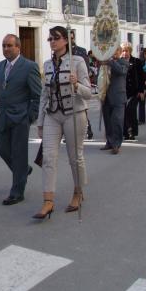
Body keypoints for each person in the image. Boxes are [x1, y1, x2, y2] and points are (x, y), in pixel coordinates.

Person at [34, 27, 92, 220]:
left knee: (75, 157)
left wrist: (76, 84)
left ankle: (78, 192)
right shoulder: (47, 64)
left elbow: (89, 93)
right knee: (49, 157)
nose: (52, 41)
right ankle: (48, 201)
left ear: (66, 41)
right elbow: (44, 94)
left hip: (74, 113)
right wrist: (40, 122)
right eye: (50, 38)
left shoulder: (78, 62)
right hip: (52, 114)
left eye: (56, 38)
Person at [0, 34, 41, 205]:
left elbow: (37, 95)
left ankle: (17, 191)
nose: (6, 49)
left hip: (21, 117)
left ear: (18, 47)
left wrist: (30, 116)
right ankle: (23, 171)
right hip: (3, 116)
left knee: (19, 154)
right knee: (2, 149)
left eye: (9, 46)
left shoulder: (29, 66)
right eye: (4, 45)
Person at [100, 46, 128, 154]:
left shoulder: (123, 62)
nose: (114, 52)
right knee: (108, 122)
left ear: (120, 52)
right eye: (112, 50)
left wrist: (111, 61)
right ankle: (110, 142)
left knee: (117, 121)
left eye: (117, 51)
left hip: (118, 97)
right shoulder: (105, 63)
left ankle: (116, 144)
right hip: (106, 96)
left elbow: (121, 71)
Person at [70, 30, 94, 139]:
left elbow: (86, 67)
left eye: (71, 37)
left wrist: (85, 81)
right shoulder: (62, 51)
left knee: (82, 109)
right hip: (68, 84)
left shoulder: (81, 51)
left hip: (79, 83)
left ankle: (88, 129)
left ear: (73, 38)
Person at [120, 42, 142, 140]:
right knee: (124, 112)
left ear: (130, 51)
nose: (125, 53)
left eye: (126, 51)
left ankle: (132, 131)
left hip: (134, 91)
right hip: (122, 91)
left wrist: (141, 90)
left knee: (131, 110)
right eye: (123, 51)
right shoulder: (119, 61)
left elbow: (141, 75)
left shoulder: (136, 61)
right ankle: (126, 132)